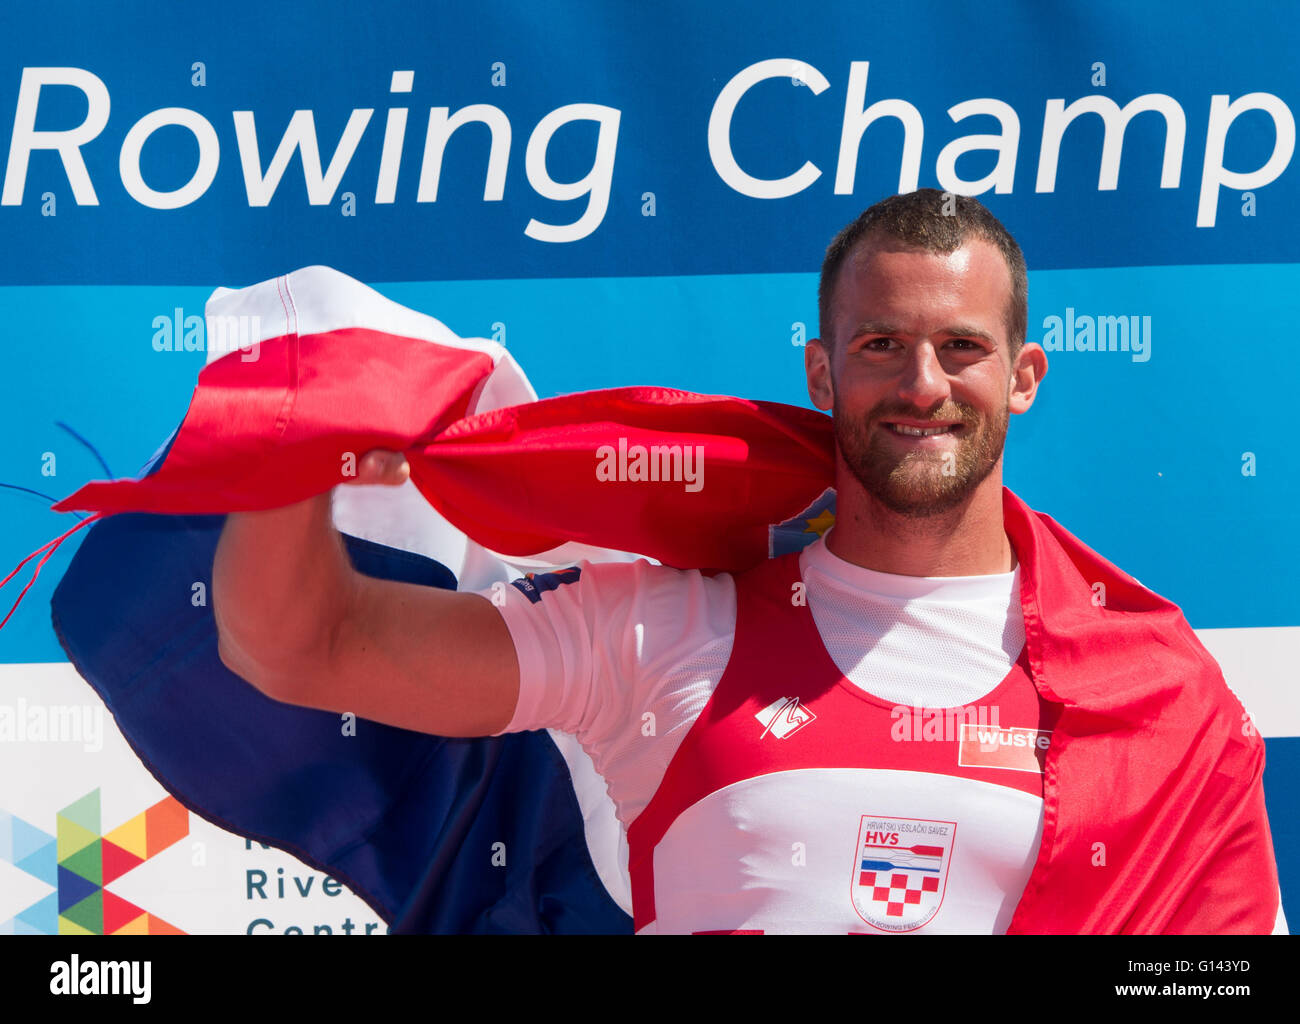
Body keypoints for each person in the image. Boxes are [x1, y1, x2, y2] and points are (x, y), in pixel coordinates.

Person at [212, 189, 1285, 934]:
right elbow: (306, 643)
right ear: (821, 372)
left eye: (960, 347)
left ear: (1023, 376)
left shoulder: (1151, 687)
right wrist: (297, 433)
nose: (922, 383)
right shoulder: (667, 627)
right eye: (879, 347)